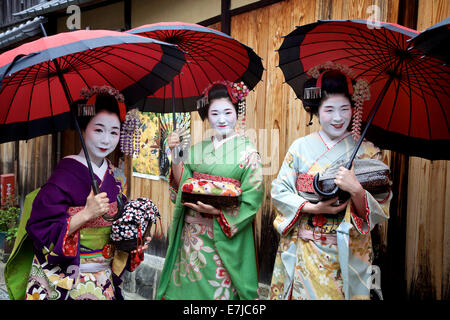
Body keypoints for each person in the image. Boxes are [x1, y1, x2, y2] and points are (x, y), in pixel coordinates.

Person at [269, 66, 391, 300]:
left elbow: (382, 205)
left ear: (354, 109)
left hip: (347, 252)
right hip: (305, 250)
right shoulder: (300, 147)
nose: (337, 117)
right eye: (329, 109)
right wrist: (313, 207)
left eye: (344, 109)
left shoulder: (368, 151)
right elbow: (279, 190)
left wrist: (355, 189)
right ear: (316, 110)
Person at [23, 86, 149, 300]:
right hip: (67, 278)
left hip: (103, 277)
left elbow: (118, 228)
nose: (106, 140)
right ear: (83, 128)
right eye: (98, 130)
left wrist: (134, 238)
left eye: (114, 132)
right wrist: (85, 215)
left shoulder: (115, 177)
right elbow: (39, 227)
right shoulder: (63, 177)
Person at [156, 81, 264, 300]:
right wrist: (176, 152)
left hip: (222, 238)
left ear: (237, 113)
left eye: (227, 112)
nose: (222, 119)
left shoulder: (249, 153)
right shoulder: (196, 150)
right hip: (192, 239)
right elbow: (181, 185)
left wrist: (218, 212)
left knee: (220, 292)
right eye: (214, 113)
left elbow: (252, 198)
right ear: (207, 115)